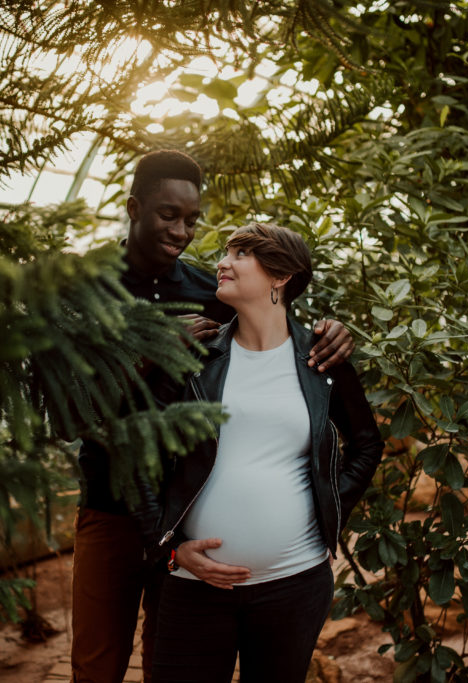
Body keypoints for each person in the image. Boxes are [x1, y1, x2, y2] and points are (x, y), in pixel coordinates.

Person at [70, 151, 355, 683]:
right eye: (167, 215)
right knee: (97, 662)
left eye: (191, 220)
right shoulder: (88, 293)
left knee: (167, 659)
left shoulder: (209, 292)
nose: (181, 231)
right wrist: (151, 355)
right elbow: (74, 411)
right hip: (111, 510)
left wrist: (335, 333)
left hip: (185, 514)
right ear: (134, 208)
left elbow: (271, 332)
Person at [148, 222, 384, 683]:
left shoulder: (321, 359)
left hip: (295, 586)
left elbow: (367, 444)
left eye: (240, 253)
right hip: (192, 587)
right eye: (226, 252)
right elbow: (142, 456)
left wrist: (328, 511)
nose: (222, 262)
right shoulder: (195, 358)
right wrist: (171, 549)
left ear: (281, 276)